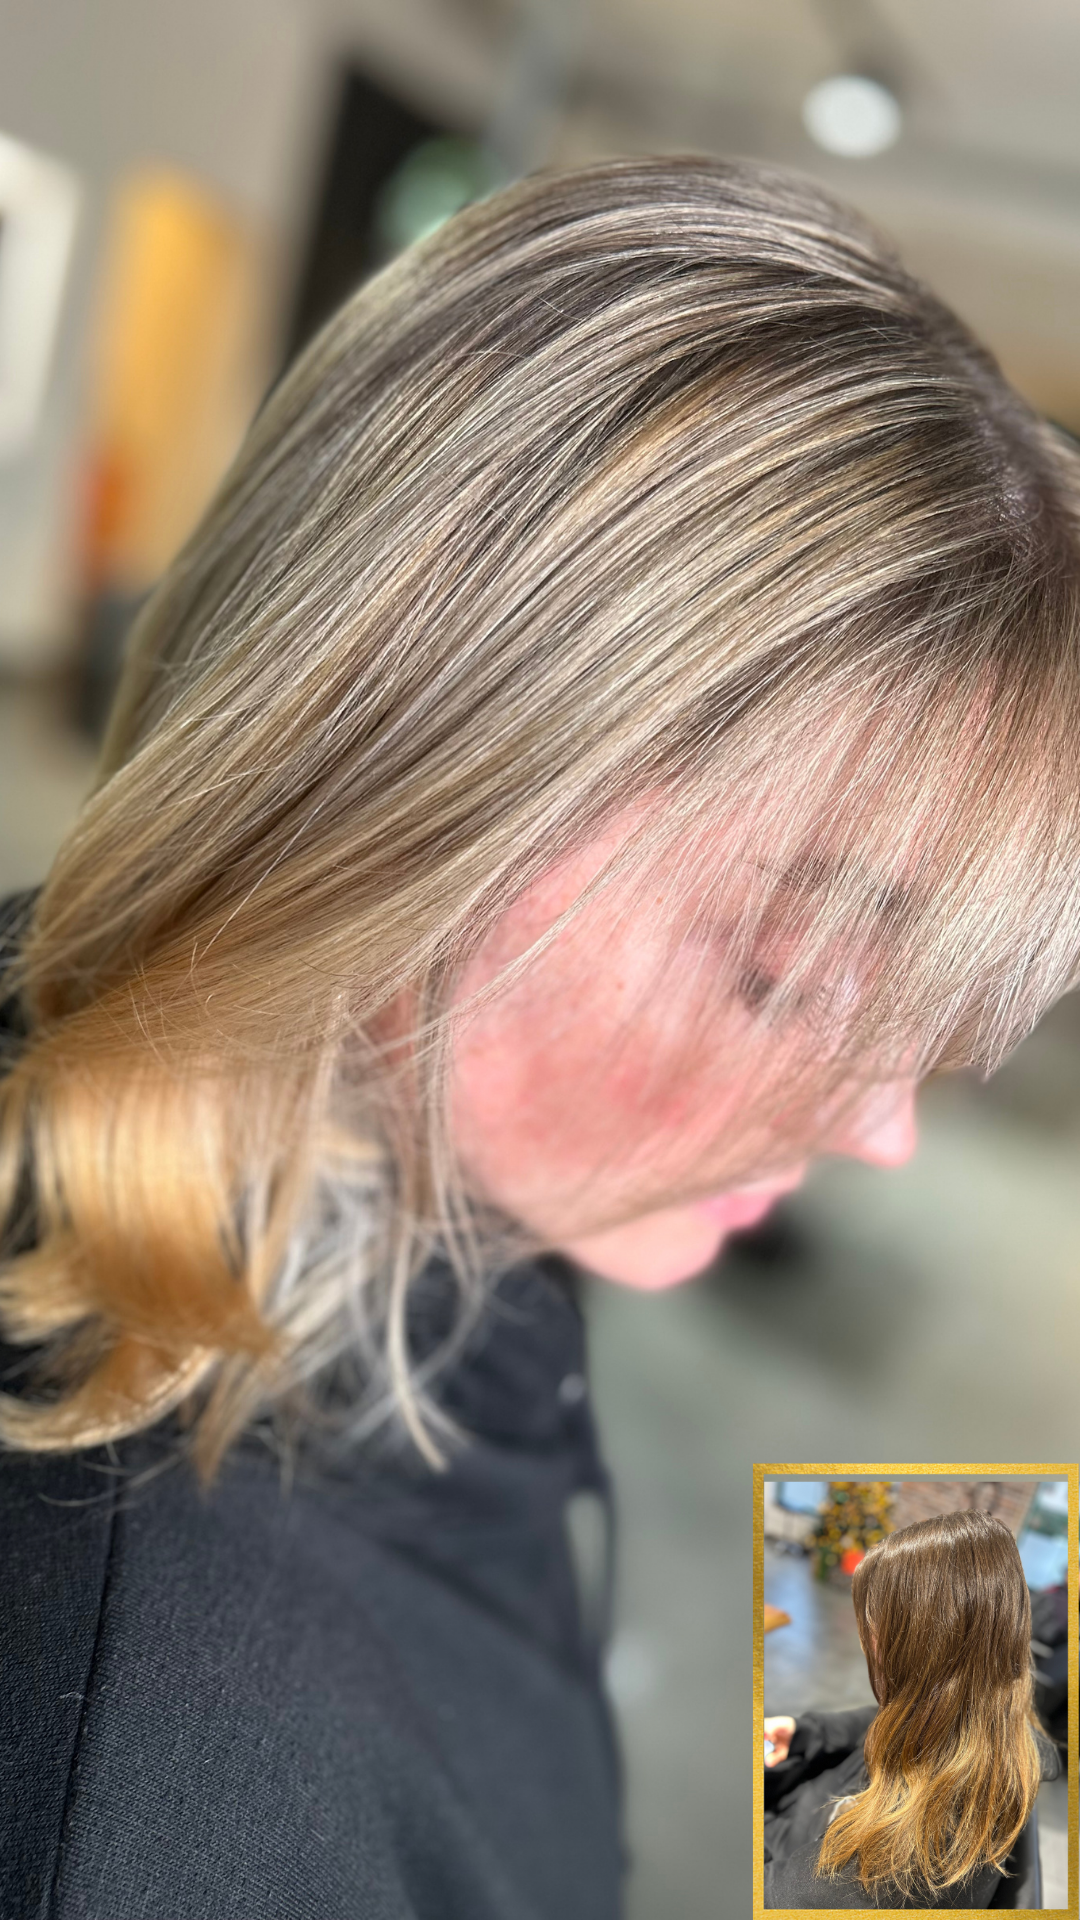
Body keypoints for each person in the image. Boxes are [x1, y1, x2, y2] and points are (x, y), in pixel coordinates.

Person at [2, 154, 1080, 1917]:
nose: (881, 1127)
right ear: (386, 792)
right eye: (795, 969)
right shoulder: (182, 1795)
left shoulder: (445, 1189)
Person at [762, 1509, 1059, 1907]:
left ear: (921, 1653)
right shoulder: (989, 1721)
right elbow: (879, 1719)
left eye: (874, 1631)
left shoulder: (884, 1873)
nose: (868, 1644)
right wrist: (807, 1731)